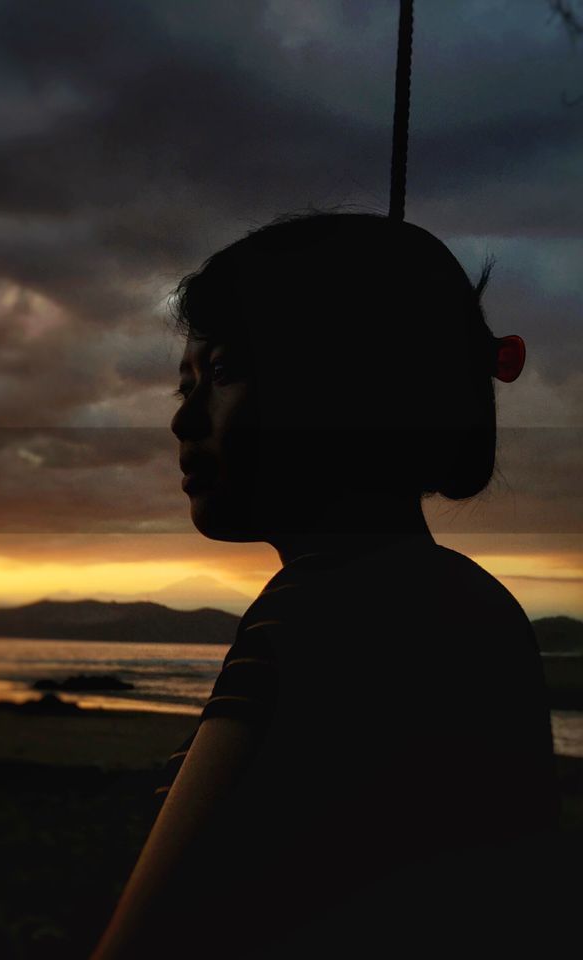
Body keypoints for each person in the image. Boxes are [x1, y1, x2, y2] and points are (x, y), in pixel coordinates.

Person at [91, 213, 560, 958]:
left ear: (346, 381)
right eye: (182, 386)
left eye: (222, 373)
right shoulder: (477, 602)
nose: (183, 421)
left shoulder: (319, 607)